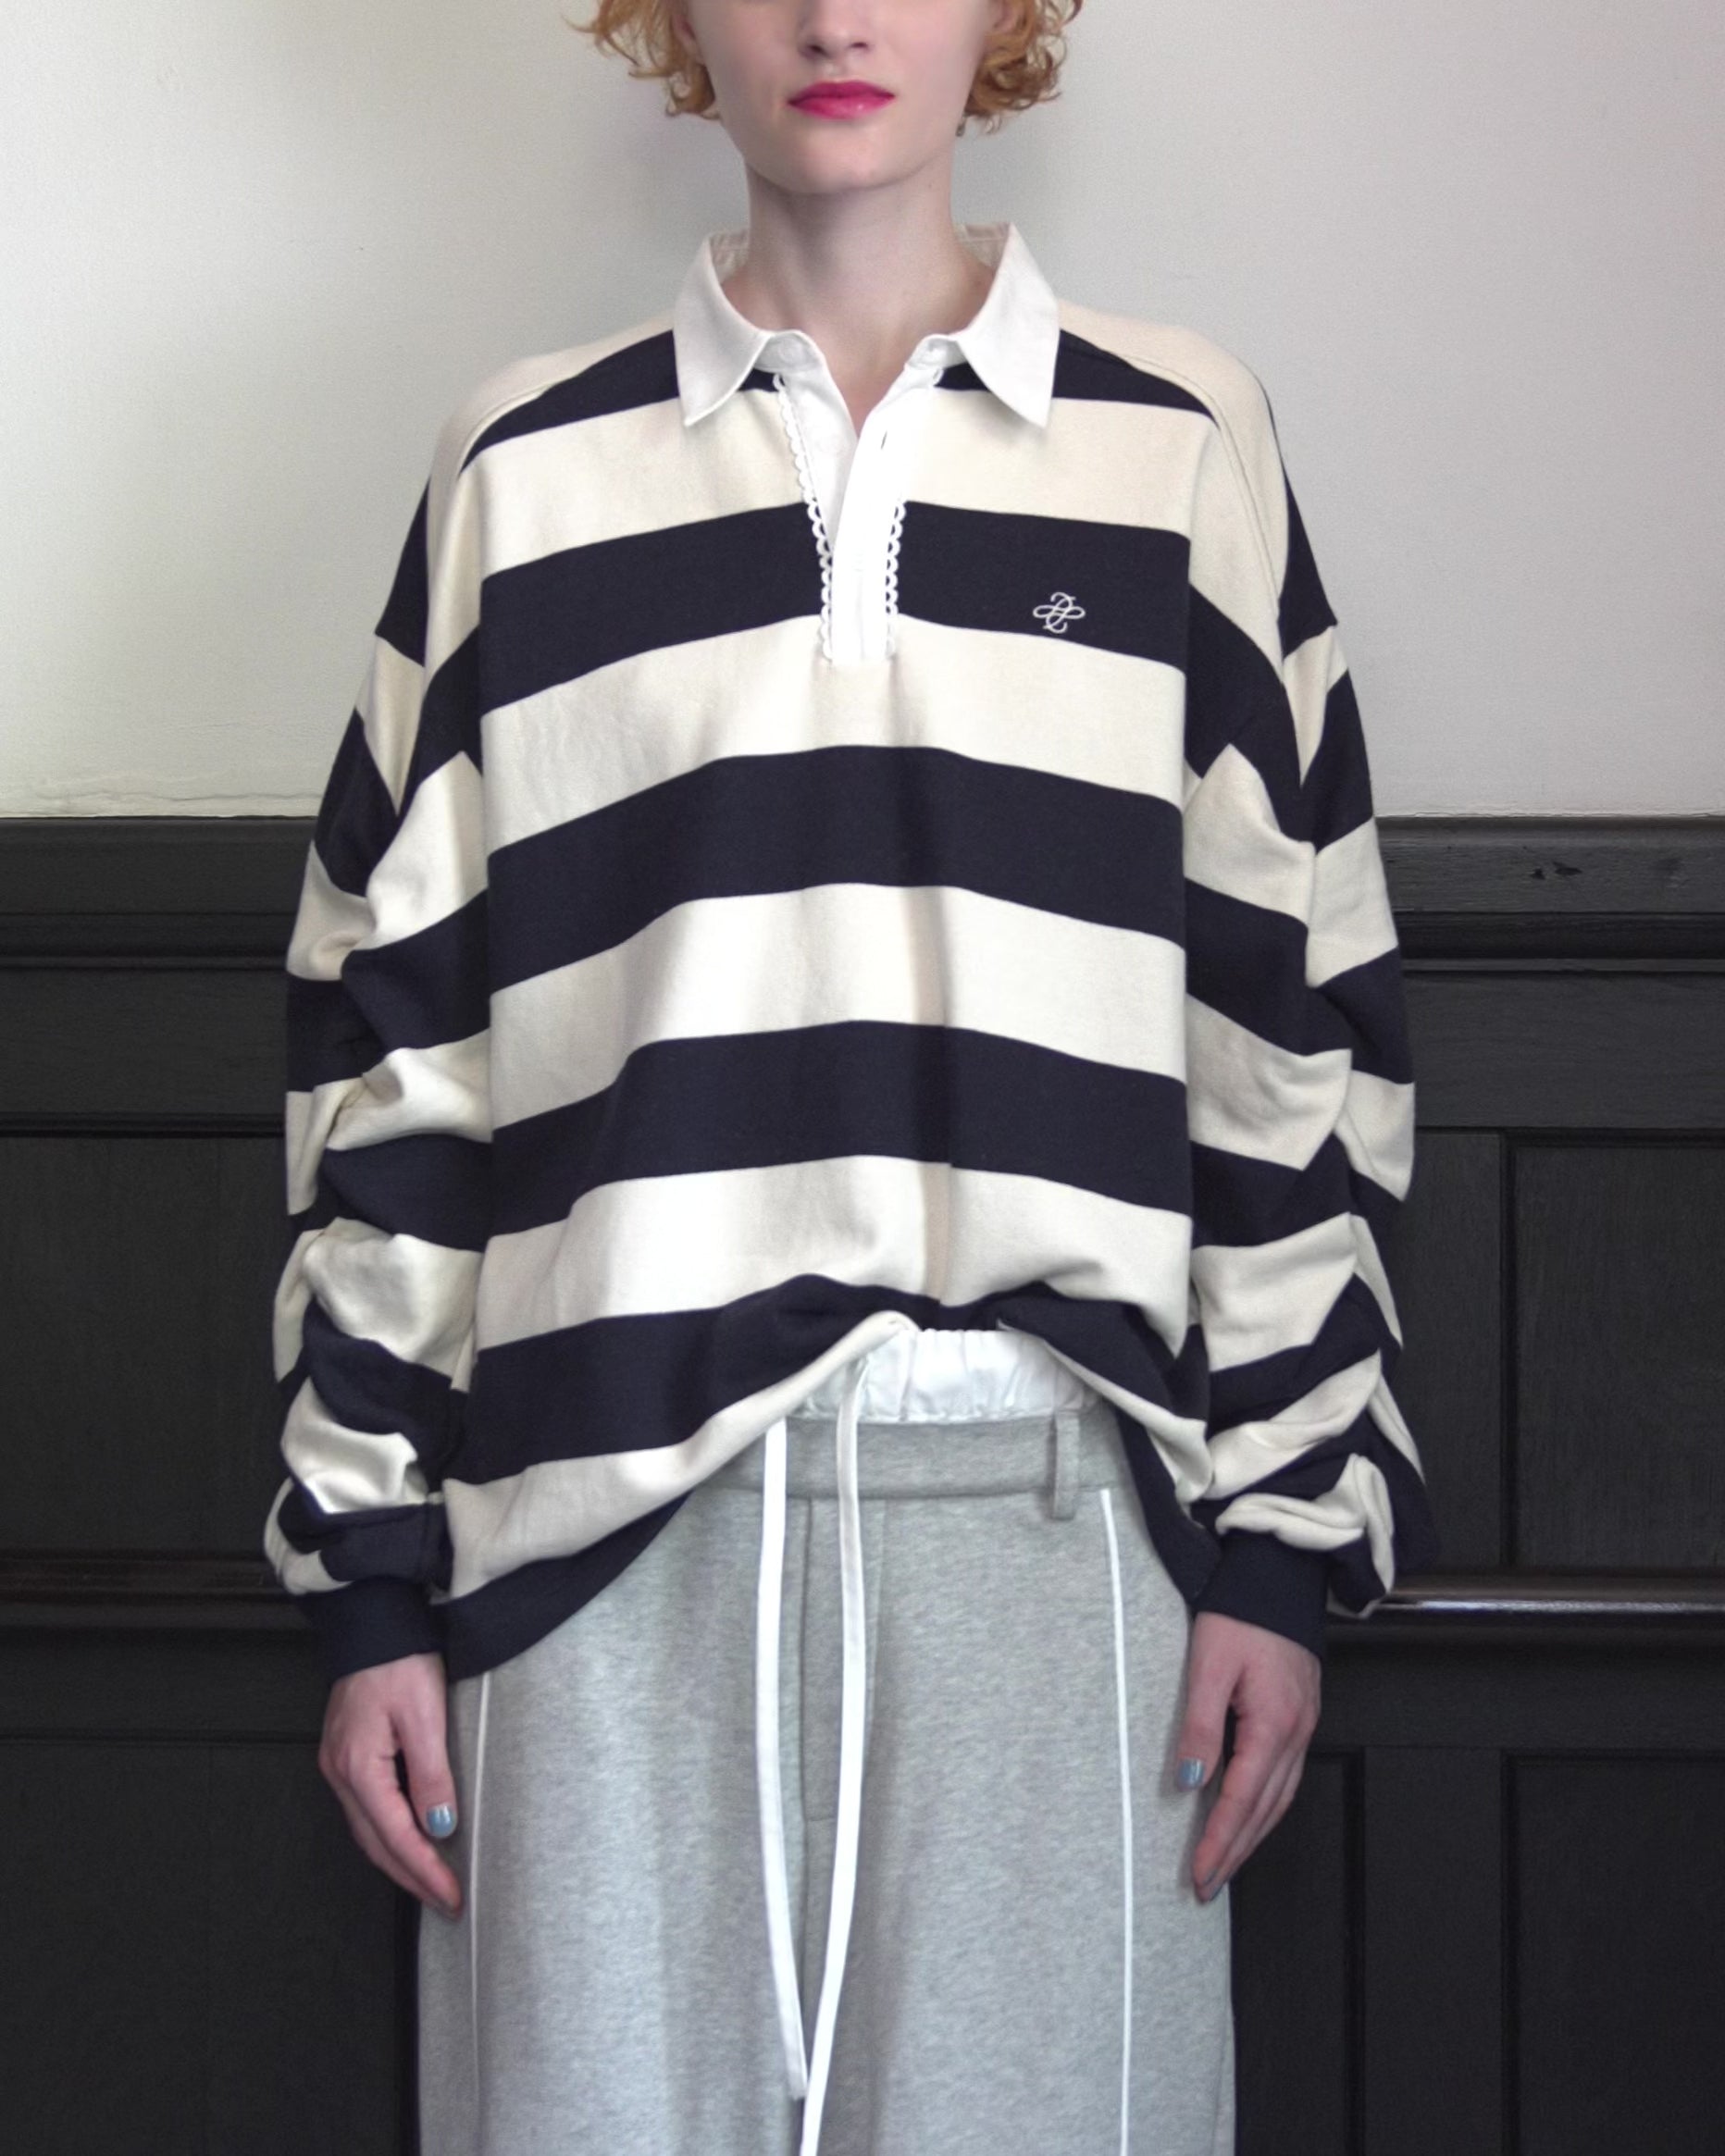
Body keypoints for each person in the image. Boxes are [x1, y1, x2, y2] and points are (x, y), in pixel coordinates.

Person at [263, 3, 1441, 2150]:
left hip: (1051, 1540)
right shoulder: (522, 473)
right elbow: (398, 1046)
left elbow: (1288, 1026)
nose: (831, 15)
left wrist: (1280, 1542)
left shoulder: (1178, 449)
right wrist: (370, 1583)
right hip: (587, 1556)